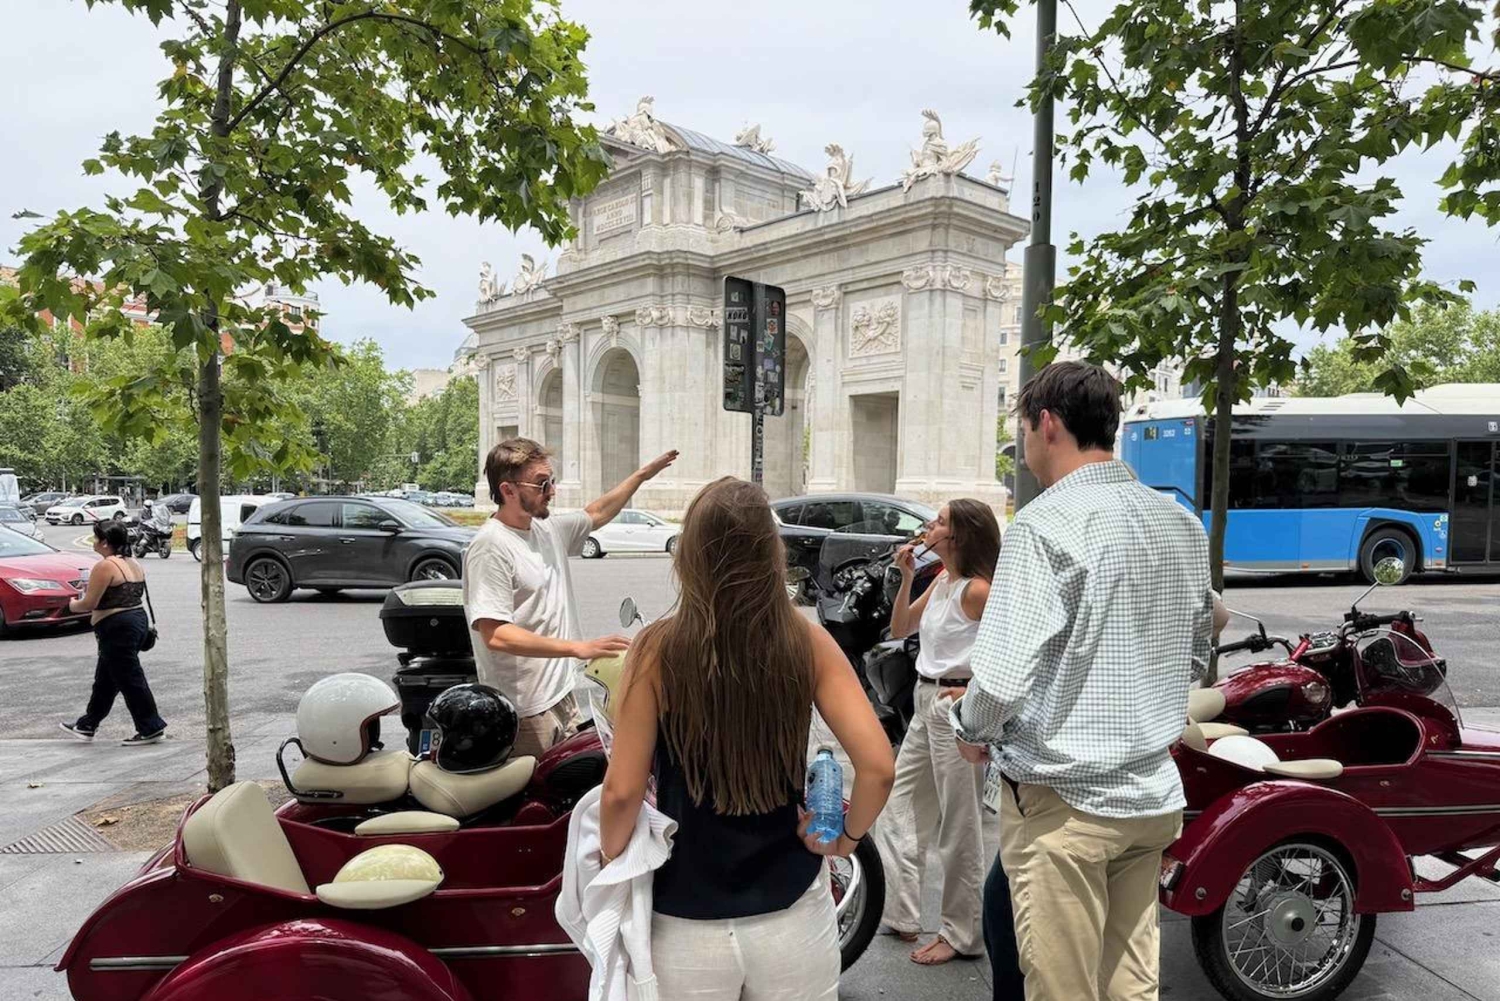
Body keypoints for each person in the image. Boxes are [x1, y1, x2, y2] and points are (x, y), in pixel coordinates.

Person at [951, 362, 1214, 1001]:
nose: (1024, 446)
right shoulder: (1179, 522)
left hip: (1067, 804)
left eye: (1022, 430)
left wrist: (970, 728)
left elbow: (1001, 680)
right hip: (1150, 795)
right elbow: (1196, 652)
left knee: (1062, 988)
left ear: (1047, 424)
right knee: (1130, 985)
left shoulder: (1043, 525)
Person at [598, 477, 896, 1000]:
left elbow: (622, 792)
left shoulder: (656, 649)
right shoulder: (806, 640)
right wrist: (845, 841)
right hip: (791, 912)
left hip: (683, 918)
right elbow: (877, 766)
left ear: (689, 554)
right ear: (772, 552)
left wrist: (610, 863)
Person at [464, 437, 678, 760]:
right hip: (527, 712)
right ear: (508, 490)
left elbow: (597, 512)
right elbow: (496, 634)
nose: (552, 491)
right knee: (538, 792)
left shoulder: (545, 530)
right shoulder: (491, 547)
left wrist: (641, 476)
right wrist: (578, 647)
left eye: (552, 481)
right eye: (542, 484)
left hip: (563, 697)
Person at [877, 499, 1001, 967]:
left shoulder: (979, 590)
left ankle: (963, 934)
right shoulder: (944, 579)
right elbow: (900, 627)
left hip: (955, 706)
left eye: (941, 521)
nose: (930, 525)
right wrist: (907, 577)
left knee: (959, 823)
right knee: (900, 805)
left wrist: (973, 692)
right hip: (925, 698)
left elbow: (1012, 651)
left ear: (960, 535)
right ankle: (902, 912)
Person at [59, 520, 168, 746]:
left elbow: (89, 603)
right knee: (106, 679)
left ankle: (151, 728)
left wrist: (70, 605)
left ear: (105, 543)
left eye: (96, 537)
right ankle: (87, 724)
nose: (94, 541)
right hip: (136, 621)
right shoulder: (133, 562)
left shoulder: (105, 566)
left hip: (117, 628)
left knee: (130, 679)